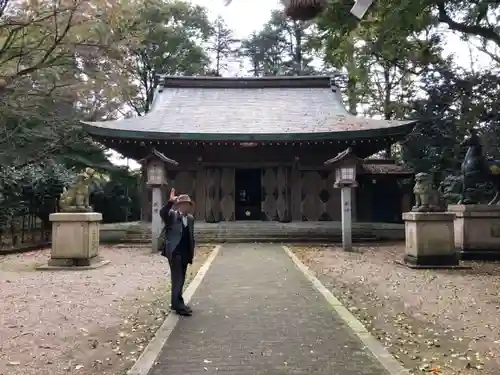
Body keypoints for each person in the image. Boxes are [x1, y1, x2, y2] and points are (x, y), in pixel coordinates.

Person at [159, 188, 195, 316]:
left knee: (181, 279)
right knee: (177, 279)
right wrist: (169, 202)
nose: (185, 206)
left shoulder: (190, 219)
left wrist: (191, 254)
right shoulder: (172, 216)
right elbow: (163, 213)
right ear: (179, 205)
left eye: (187, 204)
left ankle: (177, 303)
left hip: (185, 253)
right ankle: (178, 306)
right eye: (183, 204)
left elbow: (190, 236)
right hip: (175, 253)